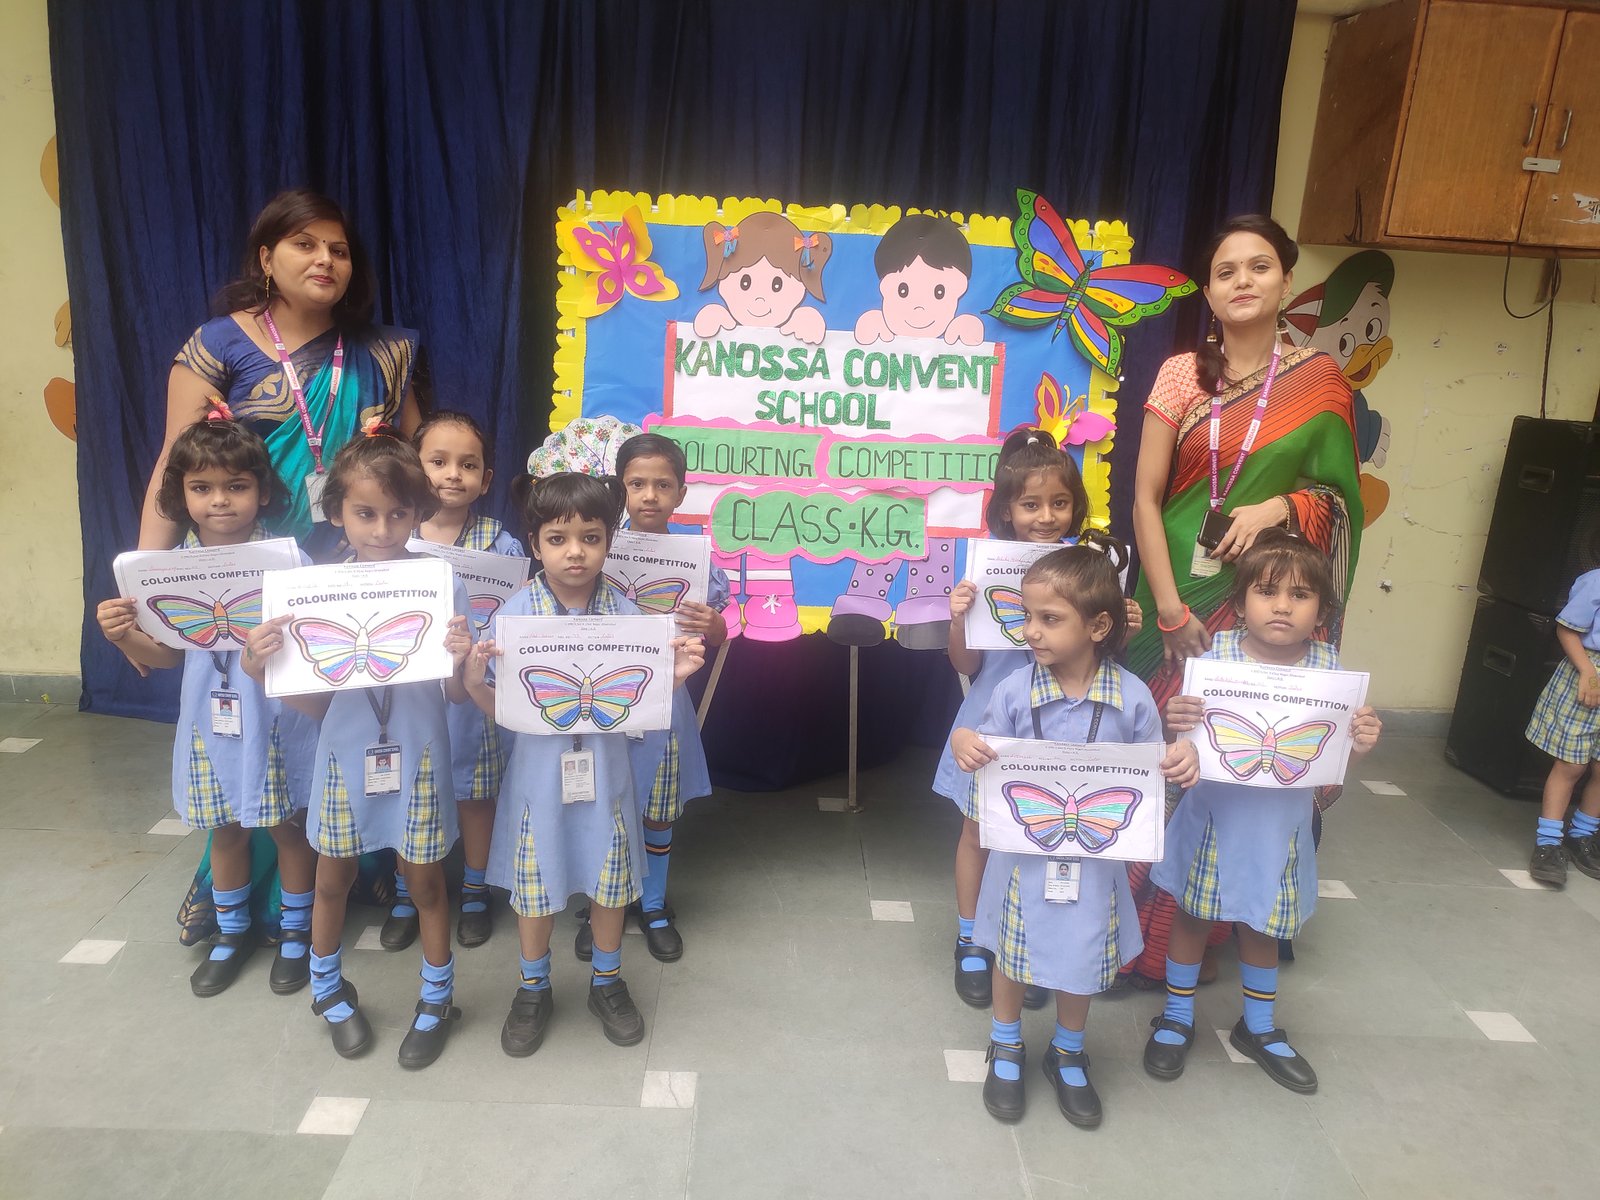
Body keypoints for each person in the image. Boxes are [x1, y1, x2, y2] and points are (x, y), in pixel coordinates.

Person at [1123, 215, 1365, 986]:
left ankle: (1205, 930)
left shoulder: (1320, 381)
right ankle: (1119, 934)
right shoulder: (1179, 375)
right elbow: (1144, 498)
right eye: (1226, 271)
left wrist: (1281, 507)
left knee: (1235, 759)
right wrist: (1168, 609)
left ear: (1286, 281)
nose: (1243, 281)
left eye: (1259, 266)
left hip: (1263, 598)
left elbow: (1341, 500)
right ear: (1208, 290)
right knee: (1157, 753)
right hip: (1172, 586)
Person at [241, 430, 474, 1069]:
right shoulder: (314, 591)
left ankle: (437, 999)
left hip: (420, 755)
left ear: (418, 512)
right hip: (344, 758)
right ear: (337, 511)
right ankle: (327, 990)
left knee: (425, 882)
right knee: (332, 876)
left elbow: (457, 695)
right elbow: (311, 703)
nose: (382, 529)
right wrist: (260, 668)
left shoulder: (440, 583)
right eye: (365, 513)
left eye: (399, 513)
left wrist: (463, 659)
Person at [949, 538, 1199, 1126]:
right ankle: (1005, 1043)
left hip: (1095, 865)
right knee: (1013, 953)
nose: (1031, 631)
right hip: (1022, 860)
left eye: (1050, 619)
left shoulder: (1133, 698)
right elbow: (984, 743)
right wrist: (964, 741)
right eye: (1027, 616)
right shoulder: (1013, 690)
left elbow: (1152, 767)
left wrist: (1180, 757)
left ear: (1098, 626)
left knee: (1082, 954)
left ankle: (1067, 1050)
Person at [462, 473, 704, 1057]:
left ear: (609, 541)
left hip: (608, 774)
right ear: (534, 543)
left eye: (591, 538)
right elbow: (506, 712)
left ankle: (607, 981)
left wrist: (671, 679)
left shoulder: (627, 613)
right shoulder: (516, 614)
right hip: (537, 780)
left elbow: (639, 707)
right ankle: (532, 987)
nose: (576, 552)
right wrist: (473, 683)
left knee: (609, 879)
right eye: (558, 538)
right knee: (534, 884)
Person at [1146, 531, 1381, 1094]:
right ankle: (1176, 1017)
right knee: (1193, 915)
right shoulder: (1215, 659)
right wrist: (1177, 722)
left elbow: (1331, 751)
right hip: (1215, 819)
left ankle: (1258, 1026)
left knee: (1263, 923)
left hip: (1281, 827)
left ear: (1321, 611)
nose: (1281, 606)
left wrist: (1360, 738)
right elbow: (1182, 741)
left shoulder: (1328, 669)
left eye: (1300, 595)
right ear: (1240, 601)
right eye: (1267, 591)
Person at [96, 409, 319, 997]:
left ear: (262, 491)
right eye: (202, 488)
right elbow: (169, 656)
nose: (220, 500)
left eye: (236, 486)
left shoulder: (290, 563)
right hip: (210, 722)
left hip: (276, 718)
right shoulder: (166, 572)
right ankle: (231, 931)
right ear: (183, 495)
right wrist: (123, 636)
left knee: (288, 828)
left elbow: (314, 647)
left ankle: (295, 933)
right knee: (224, 830)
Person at [936, 429, 1138, 1010]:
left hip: (1070, 729)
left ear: (1076, 505)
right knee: (979, 832)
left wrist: (1125, 626)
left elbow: (1108, 653)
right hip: (996, 724)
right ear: (1006, 509)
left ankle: (1031, 944)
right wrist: (958, 619)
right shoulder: (985, 568)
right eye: (1030, 504)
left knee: (1048, 839)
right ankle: (973, 939)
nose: (1046, 517)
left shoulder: (1093, 567)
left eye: (1059, 503)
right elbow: (965, 665)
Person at [141, 188, 422, 556]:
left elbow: (416, 468)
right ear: (266, 259)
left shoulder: (383, 353)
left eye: (339, 251)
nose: (325, 259)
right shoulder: (217, 345)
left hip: (360, 563)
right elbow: (174, 464)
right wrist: (144, 576)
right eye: (305, 245)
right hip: (249, 563)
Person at [570, 433, 727, 963]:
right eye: (637, 484)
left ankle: (654, 904)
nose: (650, 495)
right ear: (620, 489)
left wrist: (713, 622)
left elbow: (719, 633)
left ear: (681, 493)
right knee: (603, 803)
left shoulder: (696, 559)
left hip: (665, 701)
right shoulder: (595, 546)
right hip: (601, 697)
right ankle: (602, 902)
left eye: (663, 485)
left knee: (658, 808)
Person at [379, 412, 527, 951]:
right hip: (409, 697)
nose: (451, 475)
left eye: (467, 465)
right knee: (410, 793)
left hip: (472, 694)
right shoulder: (394, 537)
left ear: (485, 480)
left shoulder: (503, 546)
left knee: (475, 795)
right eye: (437, 461)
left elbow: (518, 617)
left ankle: (474, 891)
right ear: (412, 469)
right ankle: (406, 893)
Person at [1525, 558, 1600, 887]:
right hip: (1589, 677)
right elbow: (1567, 628)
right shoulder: (1596, 581)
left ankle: (1582, 834)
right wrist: (1588, 672)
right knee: (1571, 765)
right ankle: (1548, 843)